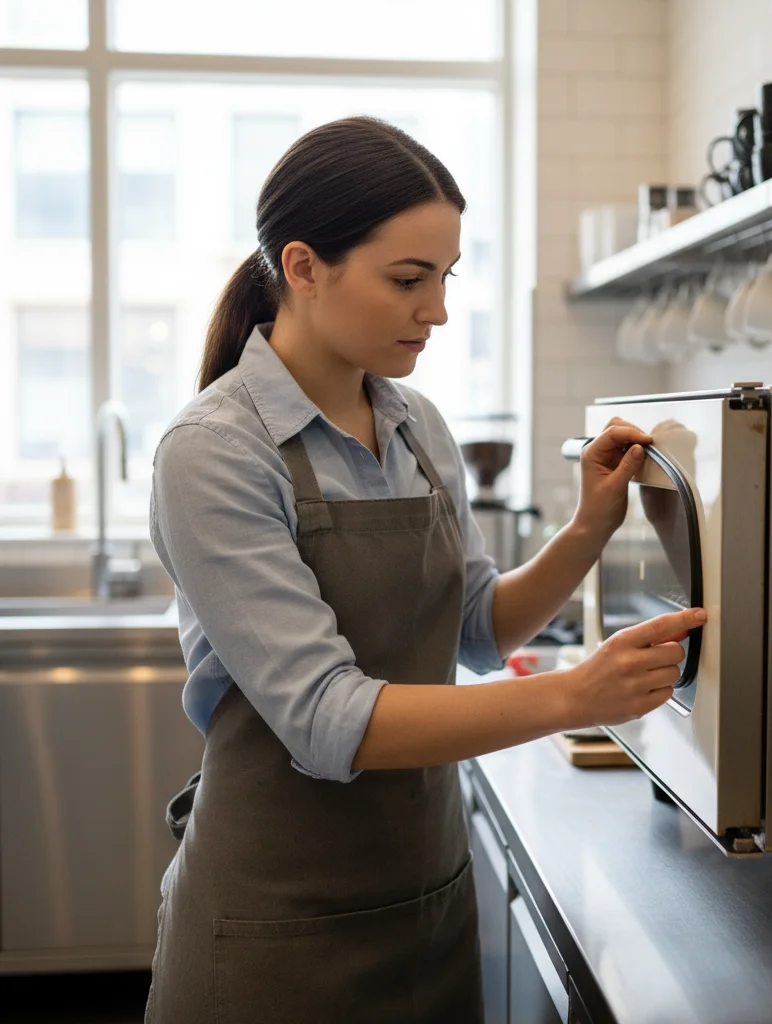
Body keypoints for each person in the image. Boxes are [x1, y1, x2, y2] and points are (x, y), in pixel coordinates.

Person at [145, 116, 706, 1024]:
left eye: (445, 278)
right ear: (302, 267)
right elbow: (328, 719)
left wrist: (587, 528)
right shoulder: (214, 452)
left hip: (429, 904)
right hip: (274, 931)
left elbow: (479, 627)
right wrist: (575, 694)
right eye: (408, 279)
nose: (437, 310)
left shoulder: (416, 424)